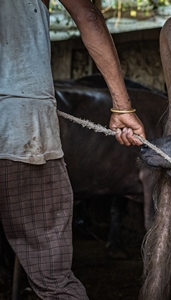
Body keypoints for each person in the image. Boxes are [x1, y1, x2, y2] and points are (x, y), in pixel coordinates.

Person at [0, 0, 146, 298]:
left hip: (22, 121)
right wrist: (121, 106)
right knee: (53, 280)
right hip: (23, 125)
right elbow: (88, 15)